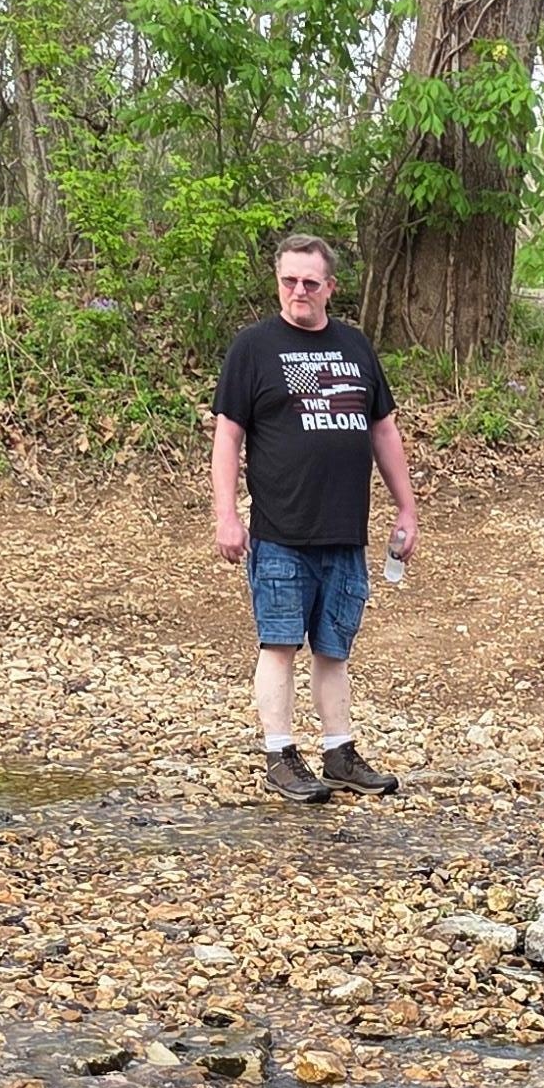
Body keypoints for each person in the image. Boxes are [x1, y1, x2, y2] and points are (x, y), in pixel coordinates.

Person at [209, 232, 419, 806]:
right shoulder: (253, 347)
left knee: (334, 649)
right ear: (278, 282)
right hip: (280, 530)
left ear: (330, 286)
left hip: (345, 531)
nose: (298, 291)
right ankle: (279, 753)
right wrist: (226, 514)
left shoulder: (355, 346)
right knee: (279, 644)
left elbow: (384, 431)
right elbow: (228, 437)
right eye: (288, 280)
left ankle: (339, 752)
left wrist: (406, 506)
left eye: (310, 281)